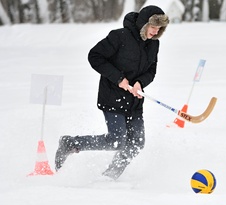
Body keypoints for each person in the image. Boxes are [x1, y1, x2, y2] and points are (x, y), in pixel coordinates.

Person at [55, 5, 169, 180]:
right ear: (144, 24)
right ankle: (70, 143)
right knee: (116, 140)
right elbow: (95, 56)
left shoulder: (154, 44)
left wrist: (140, 83)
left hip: (135, 101)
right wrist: (118, 78)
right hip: (113, 96)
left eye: (159, 28)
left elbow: (151, 70)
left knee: (137, 143)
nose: (155, 32)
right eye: (153, 27)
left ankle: (111, 175)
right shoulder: (119, 36)